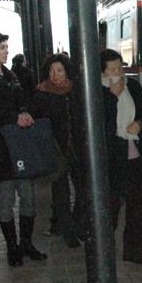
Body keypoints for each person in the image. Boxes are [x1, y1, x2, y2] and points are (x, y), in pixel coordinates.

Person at [0, 30, 46, 266]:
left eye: (6, 46)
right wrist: (14, 117)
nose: (6, 50)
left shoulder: (10, 74)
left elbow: (21, 99)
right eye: (2, 47)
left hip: (18, 143)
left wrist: (24, 112)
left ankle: (26, 243)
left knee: (27, 195)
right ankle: (12, 247)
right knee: (5, 199)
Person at [100, 48, 142, 265]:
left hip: (135, 152)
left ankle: (135, 252)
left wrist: (140, 124)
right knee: (112, 205)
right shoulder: (97, 92)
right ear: (103, 72)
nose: (117, 72)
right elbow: (101, 125)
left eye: (119, 67)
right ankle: (104, 250)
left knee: (138, 204)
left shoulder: (131, 86)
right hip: (113, 156)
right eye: (112, 69)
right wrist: (112, 97)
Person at [30, 53, 84, 248]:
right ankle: (68, 232)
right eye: (51, 71)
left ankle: (78, 225)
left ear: (67, 71)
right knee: (60, 192)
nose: (55, 75)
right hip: (55, 148)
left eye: (59, 70)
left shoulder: (76, 91)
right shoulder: (41, 94)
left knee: (82, 189)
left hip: (77, 146)